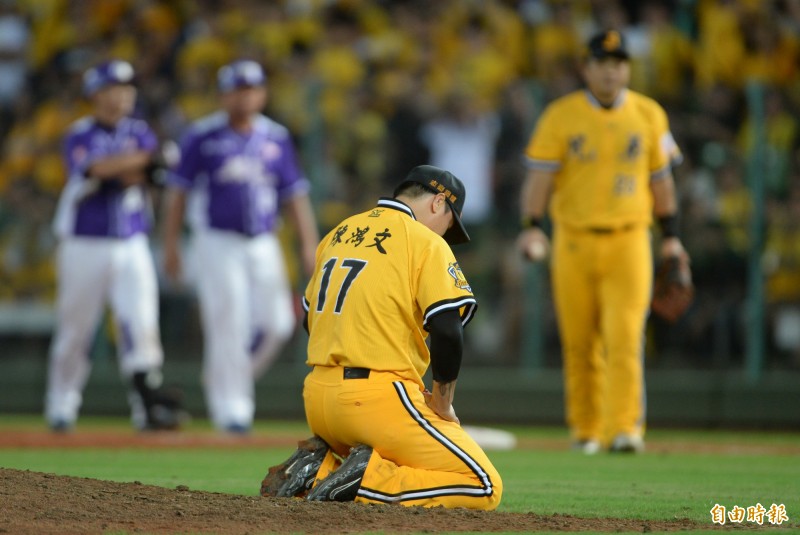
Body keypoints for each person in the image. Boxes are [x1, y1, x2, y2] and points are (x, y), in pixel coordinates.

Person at [260, 165, 502, 510]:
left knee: (407, 460)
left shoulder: (339, 232)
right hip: (376, 402)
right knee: (482, 484)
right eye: (450, 223)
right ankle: (363, 481)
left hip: (317, 400)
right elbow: (448, 330)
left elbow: (311, 320)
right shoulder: (424, 241)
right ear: (437, 203)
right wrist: (442, 402)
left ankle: (317, 472)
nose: (446, 235)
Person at [517, 30, 687, 454]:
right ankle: (587, 430)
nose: (611, 70)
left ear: (627, 68)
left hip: (630, 239)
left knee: (625, 335)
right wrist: (531, 224)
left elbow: (662, 183)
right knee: (579, 340)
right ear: (586, 67)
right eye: (602, 62)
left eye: (618, 62)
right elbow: (539, 179)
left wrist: (672, 239)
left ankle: (624, 427)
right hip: (573, 240)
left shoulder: (649, 114)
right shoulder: (561, 115)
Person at [162, 59, 320, 434]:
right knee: (228, 319)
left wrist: (309, 244)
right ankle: (231, 408)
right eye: (237, 89)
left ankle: (225, 377)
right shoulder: (202, 135)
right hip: (216, 239)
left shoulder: (276, 137)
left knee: (280, 323)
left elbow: (295, 196)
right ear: (223, 95)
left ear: (262, 94)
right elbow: (177, 194)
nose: (244, 97)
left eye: (251, 89)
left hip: (263, 239)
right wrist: (170, 245)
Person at [45, 59, 185, 432]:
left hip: (132, 241)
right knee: (76, 328)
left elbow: (152, 175)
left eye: (127, 88)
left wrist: (133, 166)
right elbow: (96, 169)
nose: (122, 95)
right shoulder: (80, 132)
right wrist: (143, 161)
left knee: (141, 325)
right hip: (83, 241)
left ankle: (147, 409)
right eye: (113, 88)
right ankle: (62, 405)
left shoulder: (139, 130)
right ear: (95, 95)